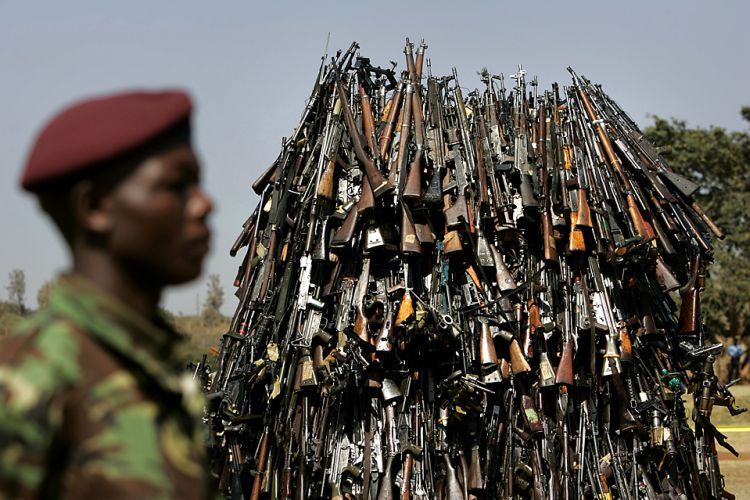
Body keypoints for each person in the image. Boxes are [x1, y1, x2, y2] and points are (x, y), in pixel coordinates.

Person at [0, 90, 214, 499]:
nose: (204, 204)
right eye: (177, 185)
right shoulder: (28, 381)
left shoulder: (151, 369)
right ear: (95, 207)